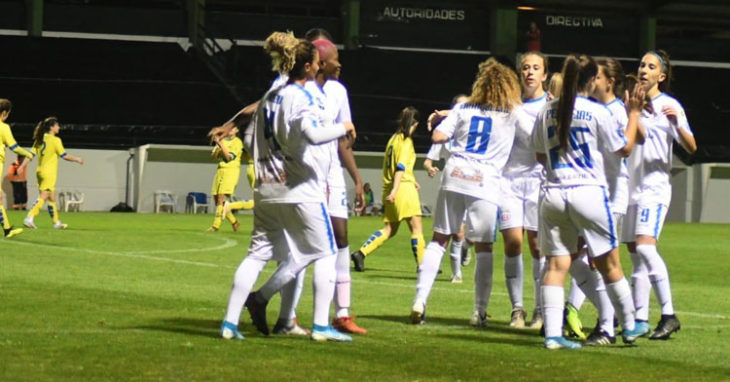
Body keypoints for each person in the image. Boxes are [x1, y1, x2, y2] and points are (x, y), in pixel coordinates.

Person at [220, 36, 356, 342]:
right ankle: (321, 327)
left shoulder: (271, 96)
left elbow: (251, 131)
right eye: (317, 63)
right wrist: (342, 128)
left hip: (267, 187)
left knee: (257, 255)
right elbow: (311, 134)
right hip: (297, 185)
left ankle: (230, 323)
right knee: (325, 252)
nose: (320, 67)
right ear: (307, 66)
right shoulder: (300, 96)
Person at [531, 54, 649, 349]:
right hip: (588, 192)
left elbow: (539, 154)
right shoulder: (595, 111)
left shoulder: (546, 110)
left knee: (557, 265)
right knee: (609, 263)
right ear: (590, 81)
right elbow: (623, 148)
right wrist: (634, 114)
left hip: (553, 193)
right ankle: (630, 326)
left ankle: (553, 336)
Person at [410, 58, 523, 326]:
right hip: (485, 180)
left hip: (455, 174)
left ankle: (419, 301)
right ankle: (479, 312)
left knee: (439, 239)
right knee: (484, 247)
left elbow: (438, 137)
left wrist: (449, 118)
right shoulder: (512, 113)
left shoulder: (462, 108)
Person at [622, 50, 696, 340]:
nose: (644, 69)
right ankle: (640, 318)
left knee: (644, 247)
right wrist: (632, 111)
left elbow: (691, 146)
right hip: (631, 188)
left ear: (661, 76)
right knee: (636, 254)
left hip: (654, 188)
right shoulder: (631, 103)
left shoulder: (670, 105)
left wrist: (676, 124)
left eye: (651, 66)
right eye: (641, 64)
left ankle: (668, 313)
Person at [499, 52, 549, 329]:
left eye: (535, 68)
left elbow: (537, 141)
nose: (529, 72)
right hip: (509, 182)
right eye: (525, 68)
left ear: (544, 75)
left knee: (537, 246)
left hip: (538, 181)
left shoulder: (549, 105)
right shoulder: (510, 104)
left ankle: (540, 309)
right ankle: (517, 308)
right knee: (513, 243)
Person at [350, 107, 425, 273]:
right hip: (401, 189)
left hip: (390, 187)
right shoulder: (406, 141)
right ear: (414, 124)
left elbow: (396, 167)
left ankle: (361, 253)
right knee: (416, 228)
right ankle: (423, 265)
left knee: (390, 229)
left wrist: (411, 181)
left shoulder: (392, 140)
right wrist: (397, 189)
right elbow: (400, 167)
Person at [423, 93, 470, 283]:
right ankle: (456, 273)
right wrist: (430, 167)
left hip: (473, 182)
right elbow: (429, 159)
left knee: (473, 234)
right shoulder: (446, 135)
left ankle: (467, 246)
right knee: (453, 231)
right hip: (451, 182)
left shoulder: (472, 132)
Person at [24, 117, 83, 230]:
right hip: (49, 172)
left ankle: (56, 222)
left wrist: (22, 166)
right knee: (45, 195)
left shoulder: (40, 139)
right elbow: (64, 156)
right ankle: (30, 217)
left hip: (40, 171)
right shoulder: (56, 140)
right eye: (57, 125)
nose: (59, 127)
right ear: (52, 127)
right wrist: (77, 159)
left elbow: (31, 154)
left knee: (52, 197)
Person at [0, 99, 34, 238]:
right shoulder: (4, 127)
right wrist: (28, 154)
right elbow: (14, 147)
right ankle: (7, 230)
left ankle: (7, 229)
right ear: (4, 113)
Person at [206, 126, 245, 232]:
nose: (231, 130)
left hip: (231, 171)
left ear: (237, 130)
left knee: (221, 199)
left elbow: (229, 158)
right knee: (217, 201)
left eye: (233, 128)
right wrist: (216, 146)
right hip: (220, 170)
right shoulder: (222, 141)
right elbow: (213, 157)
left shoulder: (237, 142)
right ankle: (234, 222)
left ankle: (215, 226)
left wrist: (220, 144)